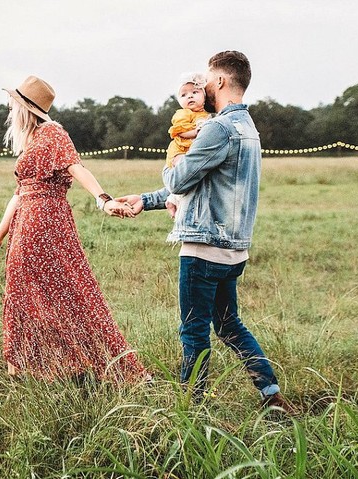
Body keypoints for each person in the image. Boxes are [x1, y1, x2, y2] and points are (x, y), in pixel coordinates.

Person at [119, 51, 292, 411]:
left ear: (222, 82)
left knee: (194, 330)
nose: (202, 87)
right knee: (229, 325)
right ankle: (270, 393)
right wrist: (147, 200)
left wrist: (174, 163)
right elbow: (203, 184)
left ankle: (190, 407)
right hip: (234, 250)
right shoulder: (248, 129)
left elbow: (181, 177)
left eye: (207, 80)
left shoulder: (217, 128)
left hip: (203, 249)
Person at [0, 75, 149, 384]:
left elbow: (77, 167)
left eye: (12, 103)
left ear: (25, 108)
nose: (8, 109)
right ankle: (25, 366)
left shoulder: (52, 132)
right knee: (22, 292)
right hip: (25, 223)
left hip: (47, 221)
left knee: (68, 291)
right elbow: (18, 195)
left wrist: (103, 200)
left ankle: (76, 362)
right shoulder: (30, 141)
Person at [164, 72, 211, 220]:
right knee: (184, 171)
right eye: (184, 95)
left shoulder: (207, 114)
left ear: (204, 96)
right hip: (180, 149)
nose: (189, 96)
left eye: (195, 92)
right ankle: (174, 201)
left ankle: (173, 200)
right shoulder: (183, 113)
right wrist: (196, 132)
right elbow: (180, 131)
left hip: (191, 150)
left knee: (193, 177)